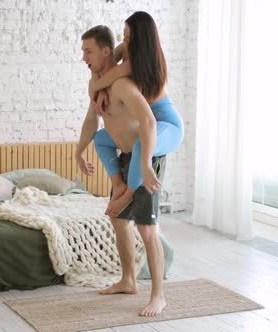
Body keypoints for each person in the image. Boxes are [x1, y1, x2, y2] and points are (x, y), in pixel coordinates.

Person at [76, 24, 166, 317]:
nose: (83, 58)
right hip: (126, 154)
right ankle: (128, 280)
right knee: (119, 222)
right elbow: (92, 121)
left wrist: (145, 163)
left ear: (105, 52)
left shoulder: (123, 84)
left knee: (147, 229)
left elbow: (149, 123)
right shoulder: (99, 85)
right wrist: (78, 151)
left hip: (146, 157)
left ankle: (158, 296)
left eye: (88, 51)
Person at [88, 11, 184, 218]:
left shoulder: (136, 64)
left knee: (142, 144)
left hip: (168, 126)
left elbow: (102, 80)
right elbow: (104, 70)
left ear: (142, 40)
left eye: (129, 37)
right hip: (149, 124)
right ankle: (118, 183)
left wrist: (100, 88)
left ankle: (127, 195)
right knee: (101, 139)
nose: (124, 41)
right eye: (124, 35)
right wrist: (103, 90)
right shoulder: (127, 50)